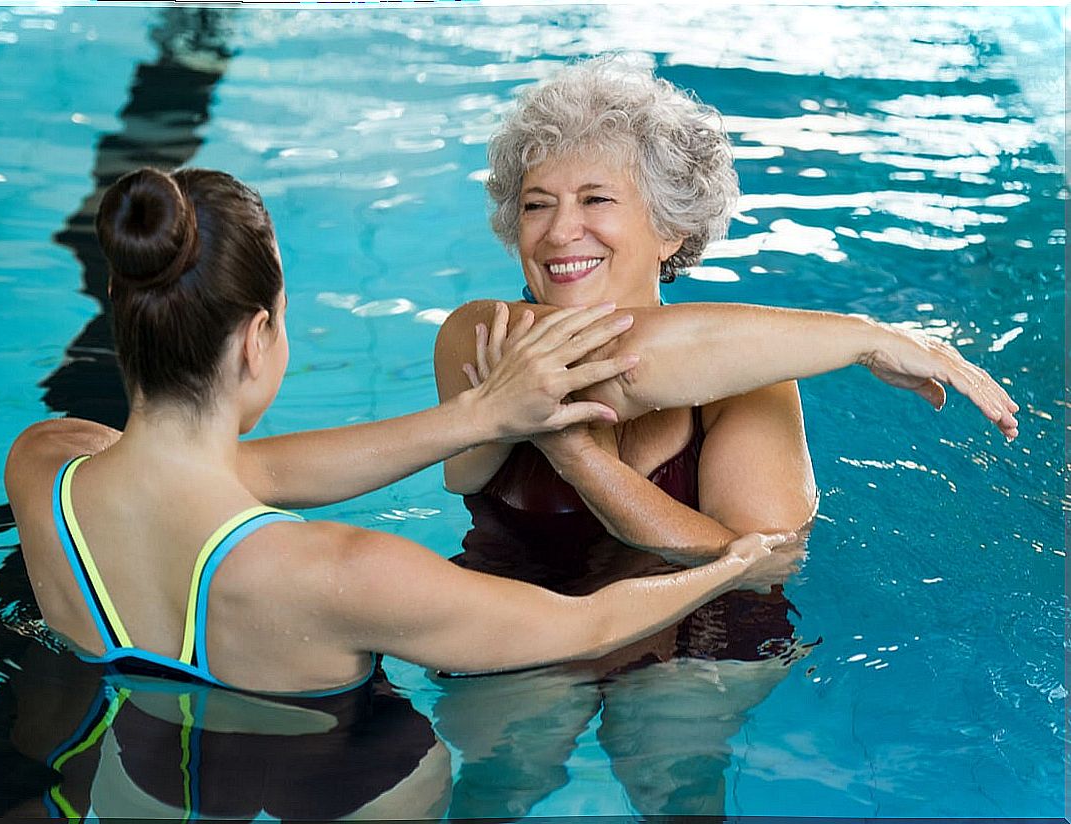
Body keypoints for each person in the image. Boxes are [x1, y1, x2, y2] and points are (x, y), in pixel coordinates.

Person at [428, 55, 1019, 816]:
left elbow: (758, 562)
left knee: (673, 775)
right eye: (537, 205)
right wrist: (865, 337)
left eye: (596, 198)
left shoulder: (754, 374)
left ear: (671, 228)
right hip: (521, 607)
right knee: (502, 781)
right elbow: (619, 364)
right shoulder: (482, 335)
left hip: (698, 626)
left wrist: (580, 461)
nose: (558, 231)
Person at [4, 166, 803, 701]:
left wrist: (478, 418)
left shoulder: (45, 466)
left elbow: (216, 471)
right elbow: (587, 627)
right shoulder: (349, 573)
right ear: (258, 338)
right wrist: (734, 561)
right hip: (339, 789)